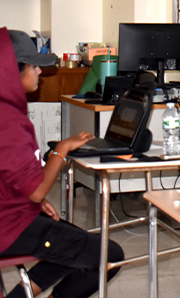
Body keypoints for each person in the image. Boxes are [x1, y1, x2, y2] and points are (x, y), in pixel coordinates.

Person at [0, 28, 124, 298]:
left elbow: (14, 178)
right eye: (34, 66)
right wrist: (63, 148)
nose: (39, 73)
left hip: (10, 215)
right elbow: (36, 190)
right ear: (13, 71)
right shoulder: (8, 120)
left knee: (72, 242)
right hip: (8, 227)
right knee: (108, 255)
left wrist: (28, 199)